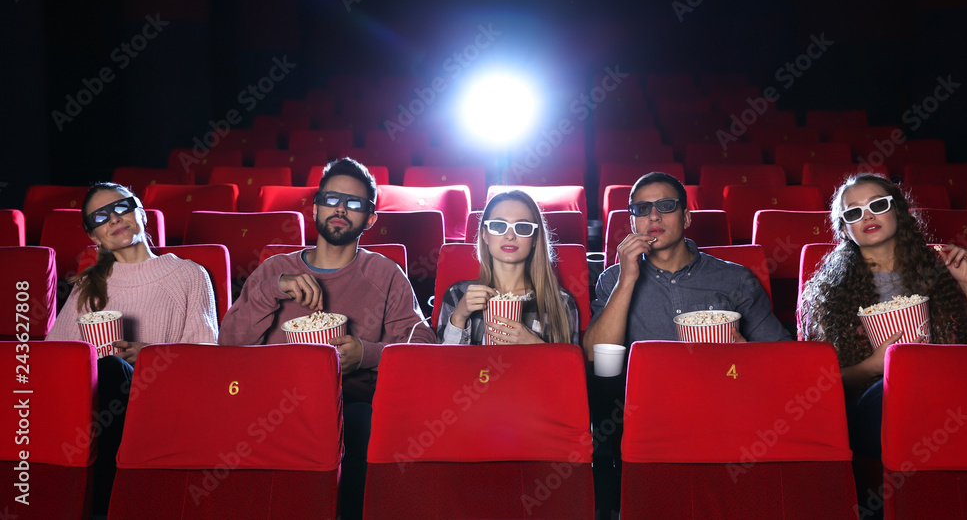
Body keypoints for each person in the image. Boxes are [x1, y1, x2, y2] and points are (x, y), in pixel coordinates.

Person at [218, 157, 436, 520]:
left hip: (350, 408)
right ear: (315, 206)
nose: (340, 209)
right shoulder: (274, 270)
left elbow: (423, 348)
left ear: (369, 219)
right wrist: (274, 289)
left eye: (354, 204)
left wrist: (365, 354)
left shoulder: (385, 274)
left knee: (361, 422)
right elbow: (229, 344)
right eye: (332, 199)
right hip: (273, 406)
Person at [46, 181, 219, 514]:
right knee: (106, 371)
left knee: (112, 369)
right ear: (95, 236)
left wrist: (150, 354)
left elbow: (207, 359)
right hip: (96, 407)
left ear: (141, 213)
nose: (113, 219)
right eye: (101, 217)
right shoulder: (89, 284)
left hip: (166, 400)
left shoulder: (189, 274)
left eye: (121, 207)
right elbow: (58, 355)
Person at [799, 174, 967, 460]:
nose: (868, 216)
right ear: (845, 230)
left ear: (898, 211)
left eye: (878, 205)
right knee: (893, 387)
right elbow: (813, 383)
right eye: (854, 212)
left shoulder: (941, 271)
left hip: (945, 395)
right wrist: (873, 366)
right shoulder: (827, 292)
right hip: (868, 407)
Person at [584, 172, 791, 359]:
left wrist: (746, 355)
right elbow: (595, 355)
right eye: (642, 209)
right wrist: (626, 279)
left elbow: (783, 354)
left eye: (666, 206)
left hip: (721, 391)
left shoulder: (735, 279)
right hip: (647, 397)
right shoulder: (613, 280)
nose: (654, 216)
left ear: (685, 218)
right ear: (632, 223)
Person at [436, 189, 579, 345]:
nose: (510, 236)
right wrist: (459, 317)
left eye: (522, 227)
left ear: (534, 239)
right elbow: (443, 365)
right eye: (498, 226)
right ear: (484, 235)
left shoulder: (560, 301)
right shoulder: (458, 294)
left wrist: (537, 347)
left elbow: (570, 367)